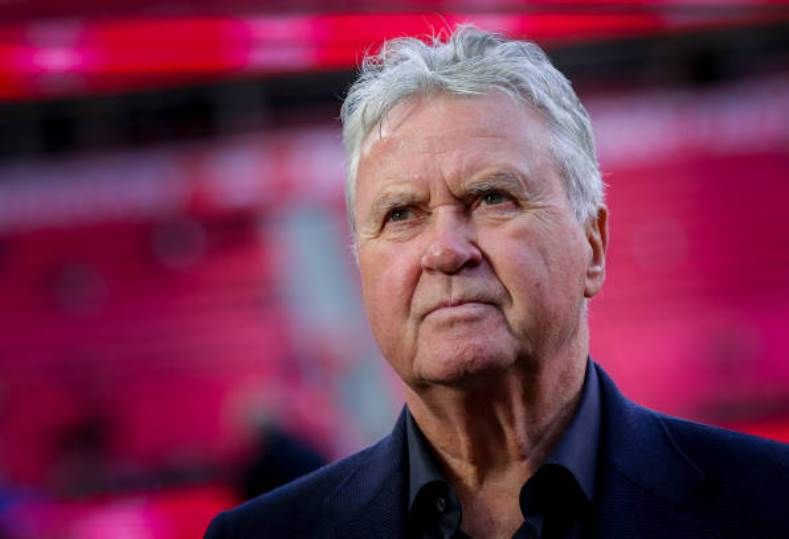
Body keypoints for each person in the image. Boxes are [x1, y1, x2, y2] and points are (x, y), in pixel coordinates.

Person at [205, 26, 789, 538]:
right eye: (401, 214)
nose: (445, 250)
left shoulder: (771, 503)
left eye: (491, 197)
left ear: (593, 245)